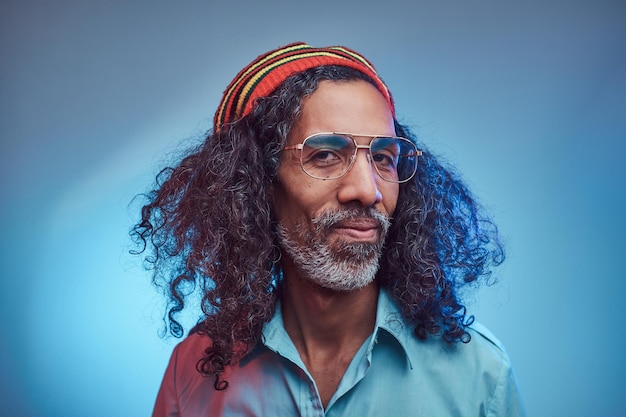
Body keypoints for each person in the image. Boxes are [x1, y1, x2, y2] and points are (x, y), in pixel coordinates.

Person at [132, 42, 526, 416]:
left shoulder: (479, 376)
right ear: (255, 183)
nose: (367, 190)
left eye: (383, 158)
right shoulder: (194, 370)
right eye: (325, 155)